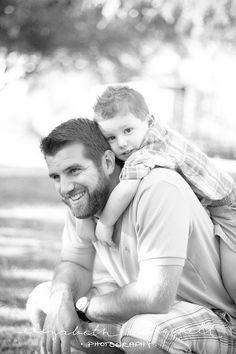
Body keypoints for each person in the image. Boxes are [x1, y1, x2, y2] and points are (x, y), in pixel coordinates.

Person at [26, 118, 236, 354]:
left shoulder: (158, 189)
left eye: (74, 171)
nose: (65, 187)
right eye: (56, 177)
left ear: (106, 162)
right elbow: (75, 264)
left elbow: (154, 297)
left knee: (146, 333)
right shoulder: (82, 203)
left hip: (217, 319)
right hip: (156, 314)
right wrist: (62, 300)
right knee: (44, 301)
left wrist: (81, 308)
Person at [91, 87, 236, 284]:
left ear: (149, 122)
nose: (122, 143)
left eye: (128, 130)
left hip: (228, 209)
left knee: (233, 285)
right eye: (111, 137)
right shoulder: (154, 133)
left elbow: (126, 188)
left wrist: (105, 222)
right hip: (218, 202)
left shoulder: (147, 151)